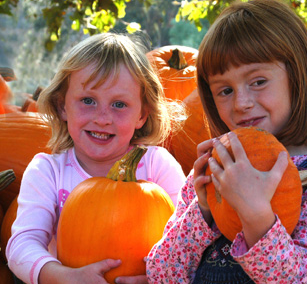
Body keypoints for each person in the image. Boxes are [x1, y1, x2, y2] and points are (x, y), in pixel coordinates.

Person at [146, 0, 307, 283]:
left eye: (258, 81)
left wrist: (256, 217)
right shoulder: (212, 172)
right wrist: (204, 213)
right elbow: (162, 275)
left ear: (297, 78)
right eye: (225, 91)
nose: (241, 103)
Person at [6, 33, 186, 284]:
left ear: (142, 115)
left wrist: (158, 277)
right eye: (88, 101)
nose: (102, 118)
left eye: (119, 104)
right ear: (62, 106)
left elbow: (187, 240)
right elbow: (21, 246)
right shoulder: (47, 171)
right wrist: (65, 277)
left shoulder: (158, 166)